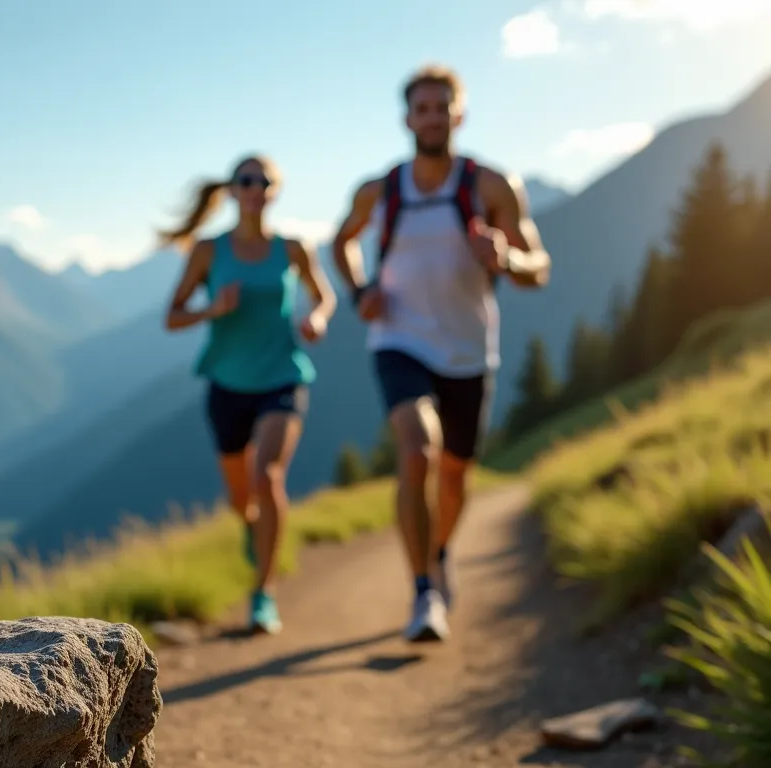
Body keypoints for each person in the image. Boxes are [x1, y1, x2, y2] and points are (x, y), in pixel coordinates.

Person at [329, 64, 552, 643]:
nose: (432, 117)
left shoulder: (492, 186)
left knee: (455, 477)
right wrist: (359, 293)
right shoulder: (382, 190)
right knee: (417, 450)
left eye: (441, 107)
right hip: (399, 340)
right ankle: (424, 590)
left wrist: (505, 257)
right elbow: (341, 241)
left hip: (470, 351)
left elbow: (540, 268)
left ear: (459, 114)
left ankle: (441, 551)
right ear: (407, 118)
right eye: (421, 108)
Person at [160, 154, 337, 635]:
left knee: (269, 475)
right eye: (246, 180)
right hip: (226, 385)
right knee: (242, 497)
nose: (256, 187)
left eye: (265, 181)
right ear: (233, 190)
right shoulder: (207, 251)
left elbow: (324, 295)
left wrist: (317, 319)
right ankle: (250, 526)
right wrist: (212, 309)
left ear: (275, 191)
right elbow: (172, 316)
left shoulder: (294, 248)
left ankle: (264, 594)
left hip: (283, 377)